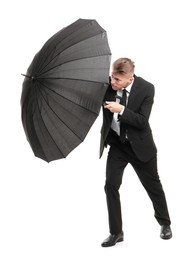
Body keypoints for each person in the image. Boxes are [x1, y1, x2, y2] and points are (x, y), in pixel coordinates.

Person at [100, 58, 172, 247]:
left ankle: (165, 223)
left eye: (117, 80)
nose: (113, 82)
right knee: (111, 185)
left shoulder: (147, 89)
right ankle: (116, 232)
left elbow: (142, 121)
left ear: (130, 79)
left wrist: (121, 109)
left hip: (140, 146)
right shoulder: (107, 85)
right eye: (112, 78)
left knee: (153, 186)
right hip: (117, 145)